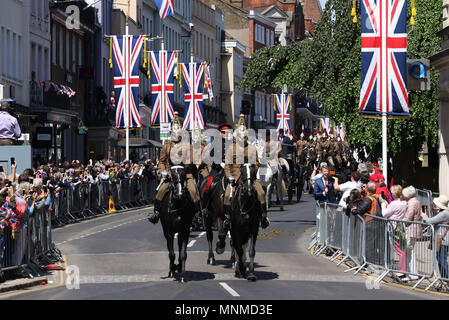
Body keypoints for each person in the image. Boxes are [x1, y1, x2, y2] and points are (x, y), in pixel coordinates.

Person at [148, 112, 201, 224]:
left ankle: (198, 214)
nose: (176, 135)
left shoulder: (187, 145)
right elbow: (162, 161)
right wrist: (163, 171)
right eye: (174, 133)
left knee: (192, 190)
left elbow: (191, 159)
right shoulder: (166, 145)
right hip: (170, 174)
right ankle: (156, 213)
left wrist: (183, 165)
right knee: (161, 190)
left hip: (185, 174)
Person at [224, 114, 269, 231]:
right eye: (240, 136)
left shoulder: (251, 148)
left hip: (250, 177)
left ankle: (264, 217)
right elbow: (227, 165)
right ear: (236, 136)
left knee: (261, 193)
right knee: (228, 195)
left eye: (244, 137)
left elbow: (258, 163)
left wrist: (253, 171)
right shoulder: (231, 148)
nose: (242, 139)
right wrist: (229, 177)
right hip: (235, 177)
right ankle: (227, 219)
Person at [381, 185, 407, 276]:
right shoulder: (404, 202)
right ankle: (403, 269)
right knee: (401, 249)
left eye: (392, 192)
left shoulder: (394, 203)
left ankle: (402, 270)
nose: (391, 193)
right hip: (400, 225)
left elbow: (384, 214)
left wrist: (383, 204)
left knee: (399, 249)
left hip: (394, 227)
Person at [421, 195, 449, 280]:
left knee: (442, 261)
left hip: (443, 240)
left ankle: (447, 279)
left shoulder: (444, 213)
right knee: (441, 261)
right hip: (441, 239)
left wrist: (424, 216)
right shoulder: (443, 212)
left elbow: (430, 221)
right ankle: (444, 279)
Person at [401, 186, 421, 281]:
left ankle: (411, 274)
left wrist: (400, 220)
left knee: (408, 251)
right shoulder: (416, 201)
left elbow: (408, 217)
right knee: (410, 251)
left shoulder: (411, 203)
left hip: (410, 229)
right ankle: (412, 273)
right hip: (415, 229)